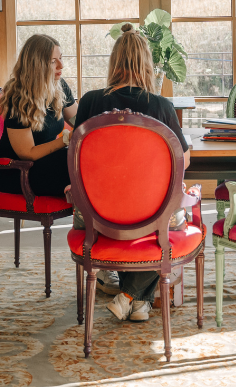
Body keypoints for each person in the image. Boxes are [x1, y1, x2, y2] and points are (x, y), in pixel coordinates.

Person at [73, 22, 191, 322]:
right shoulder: (161, 106)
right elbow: (183, 161)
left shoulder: (89, 102)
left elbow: (73, 157)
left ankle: (134, 299)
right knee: (170, 219)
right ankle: (134, 298)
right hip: (147, 214)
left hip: (95, 213)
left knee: (147, 218)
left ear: (114, 63)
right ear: (147, 65)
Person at [0, 34, 78, 197]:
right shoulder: (18, 98)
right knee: (76, 164)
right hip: (16, 171)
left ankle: (86, 212)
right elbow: (27, 153)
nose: (61, 65)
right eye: (53, 61)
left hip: (46, 163)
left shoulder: (59, 86)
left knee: (84, 158)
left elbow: (78, 120)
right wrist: (66, 139)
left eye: (61, 58)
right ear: (37, 65)